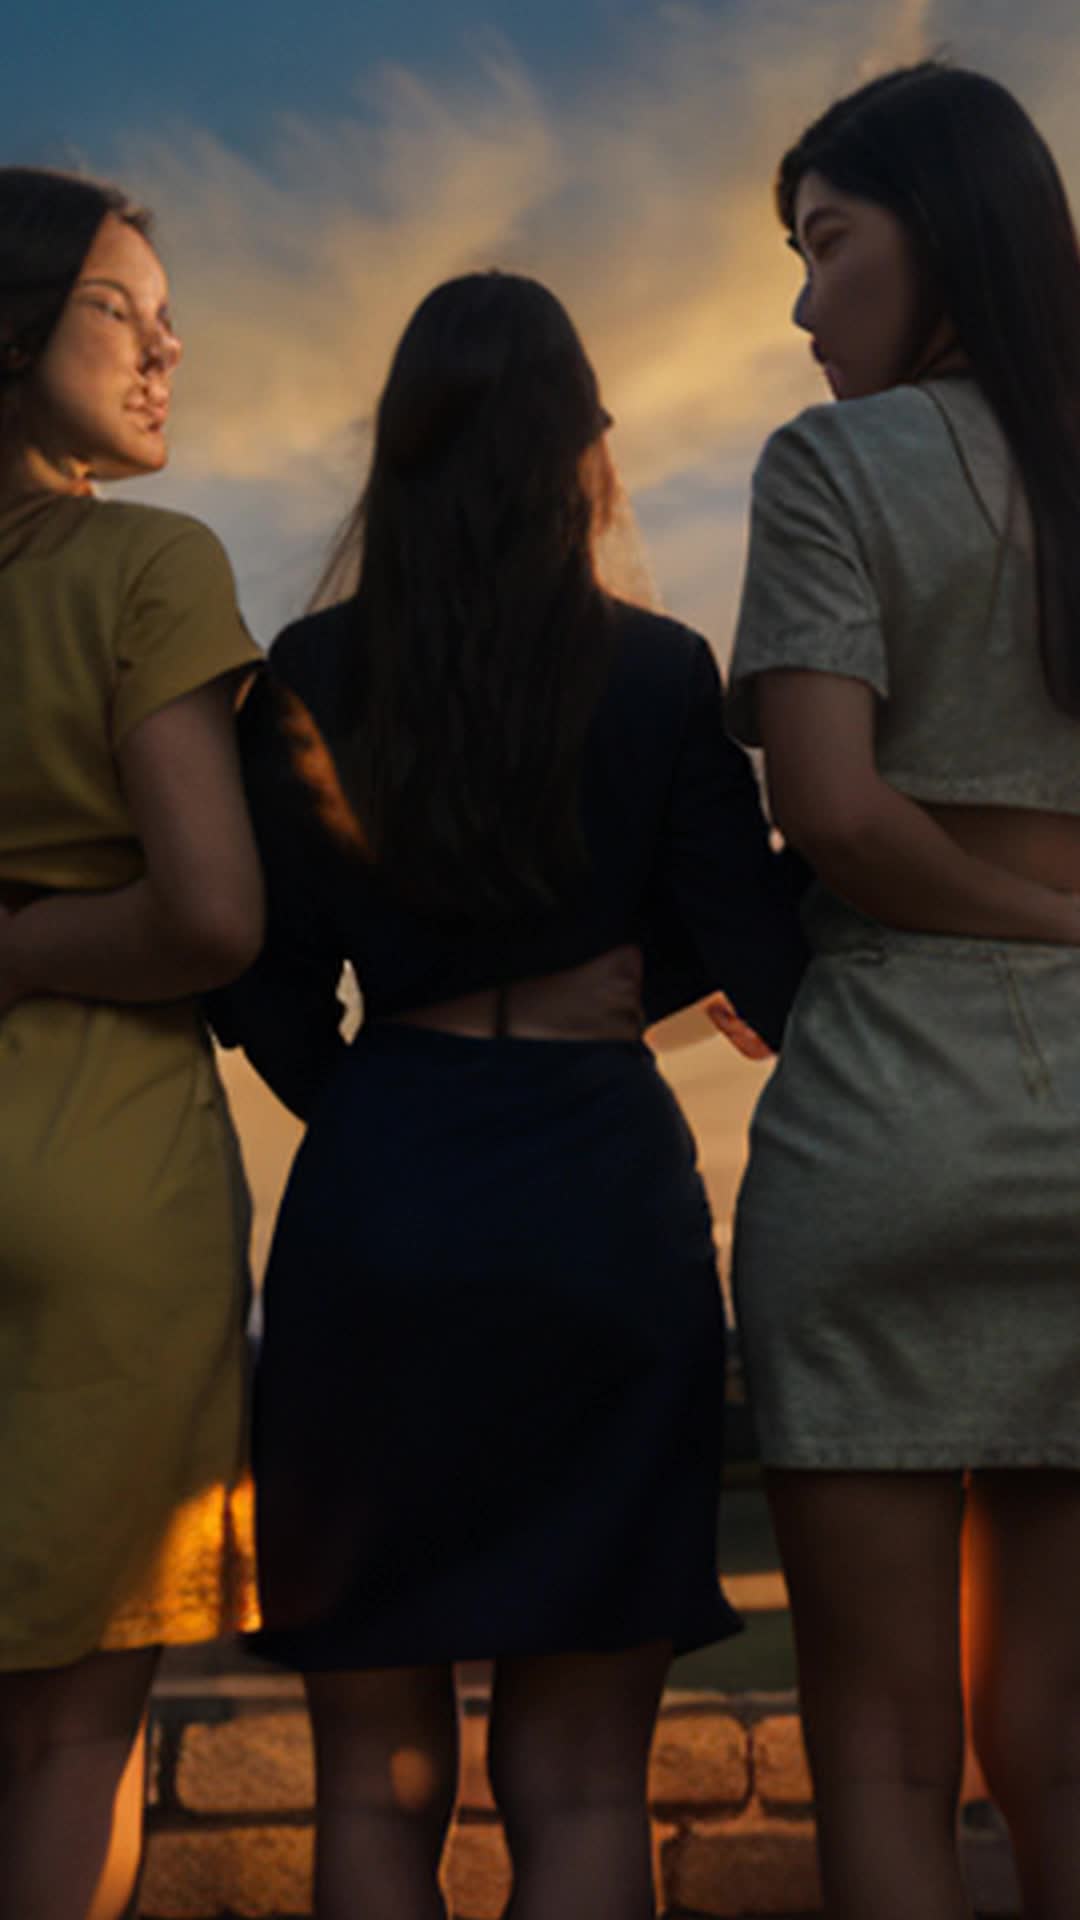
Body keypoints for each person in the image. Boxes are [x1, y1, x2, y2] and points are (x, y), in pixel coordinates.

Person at [209, 269, 807, 1920]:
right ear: (586, 452)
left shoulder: (310, 670)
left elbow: (257, 985)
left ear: (396, 454)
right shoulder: (659, 670)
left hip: (381, 1204)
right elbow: (757, 960)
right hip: (597, 1207)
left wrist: (379, 1098)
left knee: (371, 1782)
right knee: (582, 1778)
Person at [727, 62, 1080, 1920]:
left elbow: (832, 815)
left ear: (938, 233)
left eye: (827, 243)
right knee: (1071, 1734)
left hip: (891, 1118)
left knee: (876, 1738)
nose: (802, 304)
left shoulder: (835, 467)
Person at [0, 168, 264, 1919]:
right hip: (104, 1183)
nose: (172, 345)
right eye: (123, 307)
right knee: (65, 1748)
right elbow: (215, 914)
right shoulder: (145, 563)